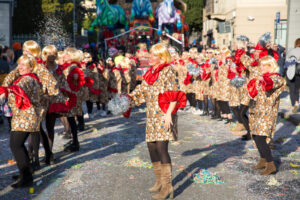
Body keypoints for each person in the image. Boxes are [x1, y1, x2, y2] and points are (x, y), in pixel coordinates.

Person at [126, 43, 186, 199]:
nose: (149, 57)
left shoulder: (168, 71)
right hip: (152, 114)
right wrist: (125, 101)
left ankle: (167, 188)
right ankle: (159, 181)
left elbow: (174, 93)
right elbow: (141, 91)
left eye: (153, 55)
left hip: (164, 114)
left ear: (161, 57)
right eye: (150, 54)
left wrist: (168, 114)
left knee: (161, 148)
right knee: (151, 146)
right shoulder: (150, 72)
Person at [0, 55, 42, 188]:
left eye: (24, 65)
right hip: (23, 116)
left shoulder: (28, 79)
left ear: (31, 67)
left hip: (26, 117)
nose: (20, 67)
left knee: (15, 145)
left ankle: (27, 177)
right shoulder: (27, 77)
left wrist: (5, 91)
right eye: (19, 64)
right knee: (18, 145)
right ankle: (26, 173)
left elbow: (19, 89)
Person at [247, 56, 286, 175]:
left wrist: (263, 79)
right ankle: (263, 159)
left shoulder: (276, 78)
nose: (261, 67)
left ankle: (271, 164)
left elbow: (271, 83)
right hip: (257, 112)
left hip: (266, 114)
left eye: (264, 65)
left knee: (260, 137)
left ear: (271, 66)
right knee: (255, 136)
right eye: (261, 65)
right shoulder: (263, 77)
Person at [285, 38, 300, 113]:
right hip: (298, 73)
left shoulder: (290, 51)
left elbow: (286, 62)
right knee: (296, 89)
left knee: (292, 89)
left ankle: (294, 104)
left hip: (290, 71)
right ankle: (297, 101)